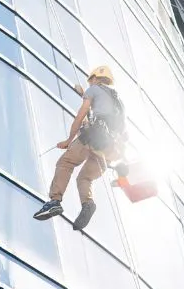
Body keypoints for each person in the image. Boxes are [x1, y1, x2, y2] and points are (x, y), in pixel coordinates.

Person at [33, 65, 128, 231]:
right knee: (84, 178)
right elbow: (106, 115)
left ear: (96, 78)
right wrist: (82, 92)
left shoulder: (93, 90)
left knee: (65, 163)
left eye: (91, 80)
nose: (90, 84)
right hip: (110, 149)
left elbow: (81, 116)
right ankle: (88, 204)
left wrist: (68, 140)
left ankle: (55, 202)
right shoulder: (118, 101)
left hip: (93, 138)